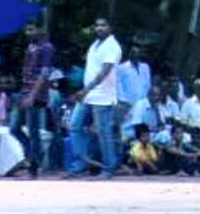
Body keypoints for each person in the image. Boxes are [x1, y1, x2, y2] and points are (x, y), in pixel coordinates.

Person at [65, 17, 122, 179]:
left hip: (103, 96)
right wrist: (84, 91)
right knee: (74, 126)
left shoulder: (112, 46)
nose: (99, 28)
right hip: (88, 95)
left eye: (103, 25)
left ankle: (109, 168)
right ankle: (81, 163)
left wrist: (86, 89)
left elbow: (104, 72)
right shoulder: (95, 45)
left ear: (110, 27)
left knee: (104, 133)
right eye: (97, 25)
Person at [19, 22, 56, 178]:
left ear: (40, 29)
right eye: (26, 29)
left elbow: (45, 73)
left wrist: (32, 95)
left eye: (31, 29)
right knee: (15, 127)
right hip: (25, 90)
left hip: (36, 94)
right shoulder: (31, 47)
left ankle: (35, 166)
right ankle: (32, 159)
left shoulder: (46, 47)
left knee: (33, 131)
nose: (28, 33)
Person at [116, 43, 152, 117]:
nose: (136, 55)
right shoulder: (121, 68)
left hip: (142, 105)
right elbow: (118, 87)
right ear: (129, 53)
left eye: (138, 53)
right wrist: (124, 102)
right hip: (127, 106)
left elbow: (148, 85)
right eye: (133, 52)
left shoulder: (145, 67)